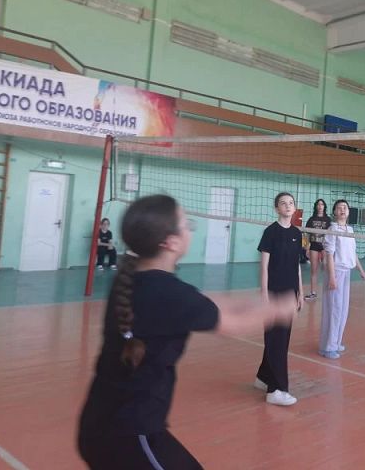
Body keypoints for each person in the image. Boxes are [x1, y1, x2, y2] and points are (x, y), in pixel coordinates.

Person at [77, 195, 296, 469]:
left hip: (103, 422)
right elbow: (232, 324)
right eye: (186, 224)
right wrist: (280, 307)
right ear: (170, 242)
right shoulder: (170, 294)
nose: (190, 229)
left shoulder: (133, 280)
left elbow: (207, 302)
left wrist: (260, 302)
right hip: (129, 435)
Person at [254, 192, 304, 406]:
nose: (287, 206)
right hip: (274, 292)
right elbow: (264, 266)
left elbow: (296, 266)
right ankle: (276, 389)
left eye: (291, 203)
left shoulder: (297, 233)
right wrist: (264, 294)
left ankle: (263, 377)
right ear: (277, 208)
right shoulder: (270, 232)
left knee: (280, 338)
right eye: (283, 203)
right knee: (277, 340)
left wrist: (300, 291)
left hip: (290, 293)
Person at [319, 199, 365, 359]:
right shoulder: (332, 229)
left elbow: (352, 253)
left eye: (345, 207)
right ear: (334, 212)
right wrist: (332, 277)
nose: (342, 209)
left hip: (347, 272)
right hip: (336, 272)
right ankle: (328, 347)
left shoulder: (350, 229)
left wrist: (361, 271)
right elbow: (329, 254)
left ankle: (336, 342)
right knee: (334, 310)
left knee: (343, 310)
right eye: (339, 207)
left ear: (348, 212)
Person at [304, 198, 331, 301]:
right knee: (313, 271)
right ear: (316, 206)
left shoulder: (328, 220)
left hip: (324, 246)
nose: (320, 206)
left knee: (326, 268)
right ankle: (313, 293)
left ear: (324, 207)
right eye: (318, 204)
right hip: (314, 246)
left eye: (322, 204)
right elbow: (306, 234)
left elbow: (331, 235)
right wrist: (307, 247)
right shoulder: (311, 219)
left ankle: (329, 291)